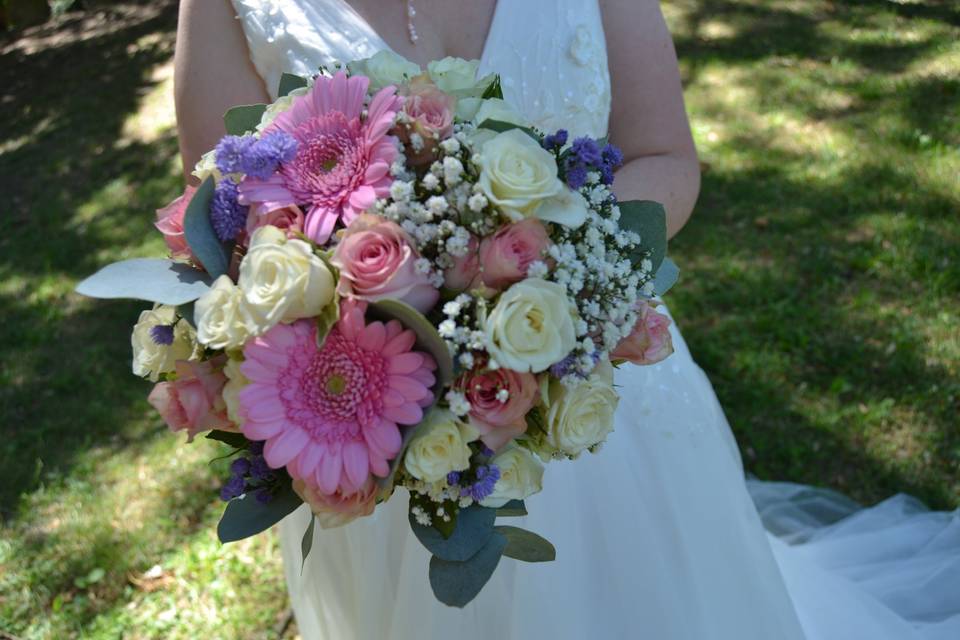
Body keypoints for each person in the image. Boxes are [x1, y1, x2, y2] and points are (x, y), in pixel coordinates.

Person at [174, 1, 960, 638]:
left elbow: (662, 155)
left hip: (597, 388)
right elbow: (228, 216)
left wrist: (535, 284)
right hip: (381, 435)